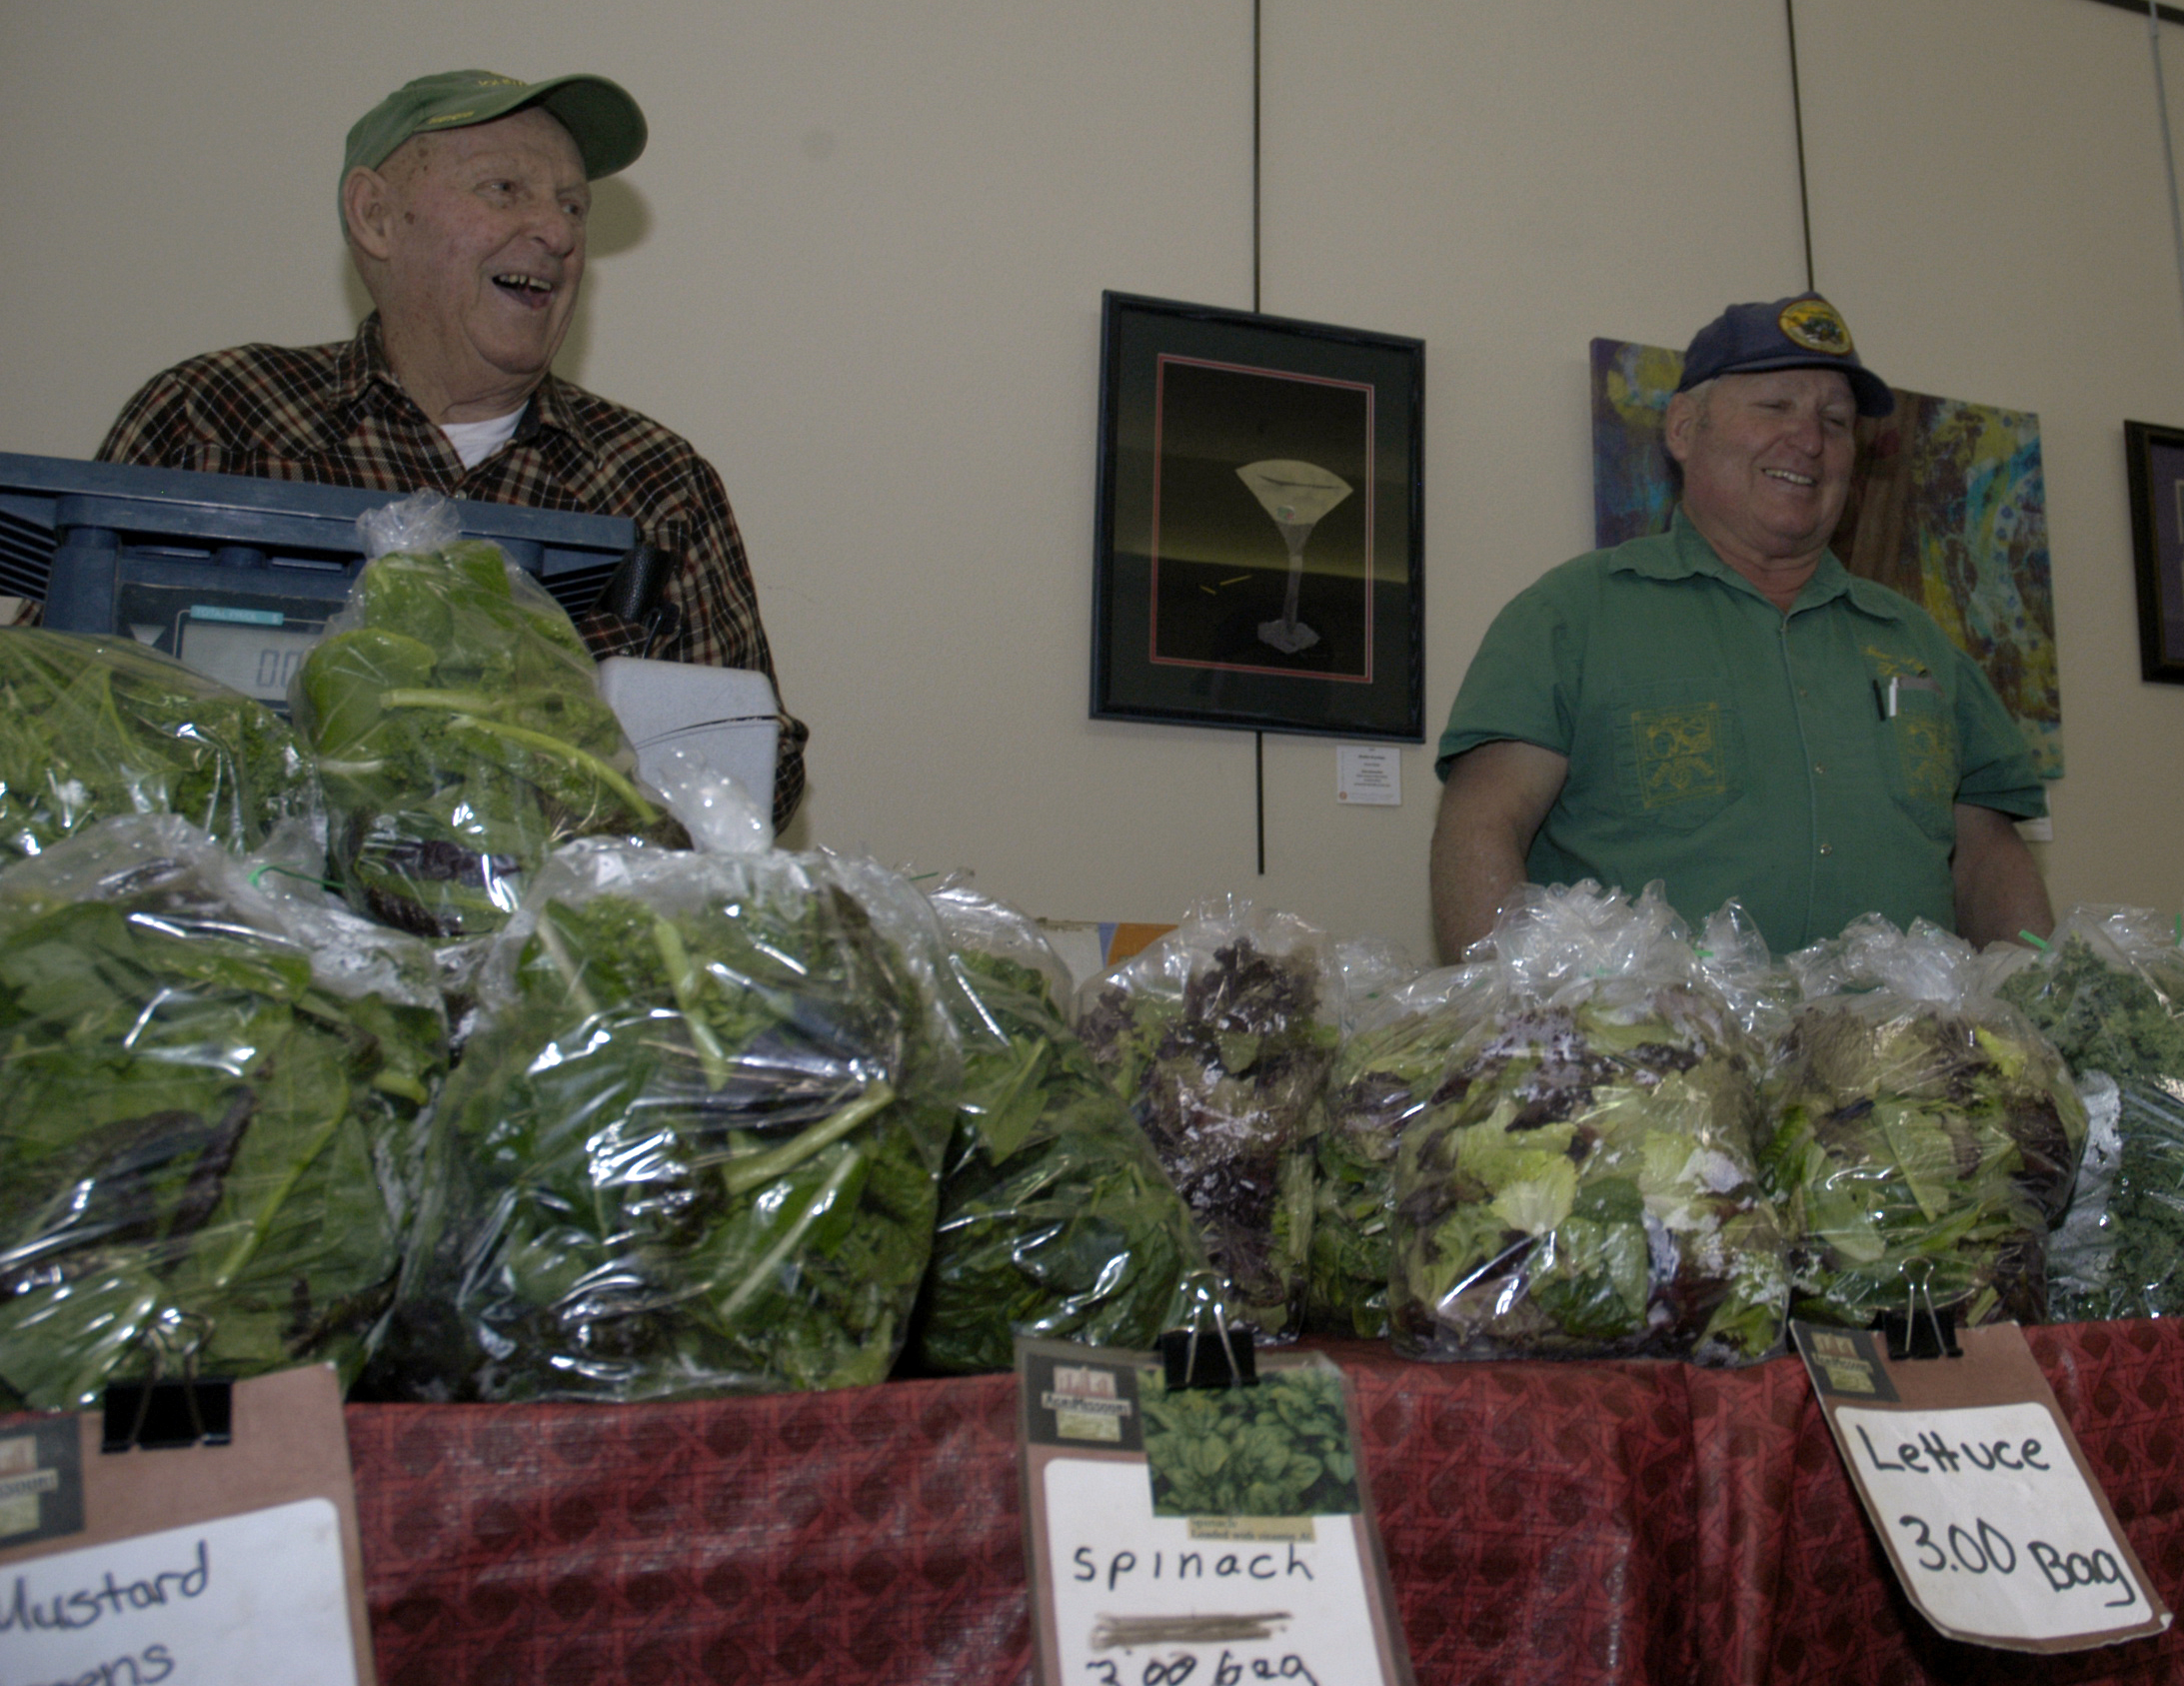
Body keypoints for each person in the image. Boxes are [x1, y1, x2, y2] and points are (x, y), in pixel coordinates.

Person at [95, 68, 809, 832]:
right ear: (375, 217)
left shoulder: (653, 479)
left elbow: (755, 778)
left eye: (573, 205)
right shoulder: (215, 415)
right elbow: (47, 700)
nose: (559, 232)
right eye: (504, 189)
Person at [1429, 292, 2051, 959]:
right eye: (1774, 406)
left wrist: (2047, 1020)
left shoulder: (1919, 641)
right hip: (1657, 1055)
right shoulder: (1571, 616)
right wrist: (1513, 1027)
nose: (1809, 441)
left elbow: (1986, 859)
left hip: (1898, 1057)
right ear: (1682, 429)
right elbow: (1480, 827)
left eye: (1835, 422)